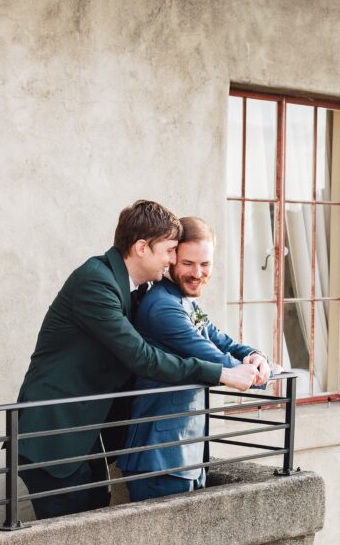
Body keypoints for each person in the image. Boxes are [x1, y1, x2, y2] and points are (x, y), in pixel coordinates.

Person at [16, 201, 258, 519]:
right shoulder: (95, 282)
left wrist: (252, 355)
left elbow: (204, 330)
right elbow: (142, 358)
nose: (173, 260)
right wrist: (221, 373)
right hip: (53, 433)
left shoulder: (137, 288)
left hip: (85, 433)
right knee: (68, 543)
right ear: (142, 247)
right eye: (170, 251)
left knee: (95, 522)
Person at [122, 216, 271, 502]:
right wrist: (259, 373)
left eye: (205, 264)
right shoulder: (163, 306)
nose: (197, 273)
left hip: (187, 454)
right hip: (161, 456)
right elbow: (212, 356)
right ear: (172, 260)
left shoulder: (183, 299)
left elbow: (223, 341)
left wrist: (256, 355)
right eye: (188, 263)